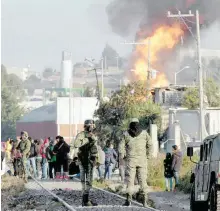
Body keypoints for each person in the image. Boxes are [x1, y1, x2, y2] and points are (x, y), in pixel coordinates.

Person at [118, 118, 152, 207]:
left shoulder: (126, 134)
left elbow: (120, 147)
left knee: (130, 181)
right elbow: (150, 145)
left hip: (131, 160)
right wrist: (148, 156)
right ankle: (145, 202)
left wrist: (124, 157)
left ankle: (128, 200)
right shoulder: (144, 133)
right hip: (142, 160)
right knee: (143, 181)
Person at [74, 119, 98, 206]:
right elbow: (76, 144)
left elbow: (95, 148)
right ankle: (85, 200)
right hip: (84, 159)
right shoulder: (81, 134)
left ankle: (85, 199)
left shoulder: (93, 135)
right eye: (90, 125)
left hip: (90, 160)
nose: (92, 127)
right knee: (85, 181)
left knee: (89, 181)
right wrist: (87, 140)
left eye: (92, 126)